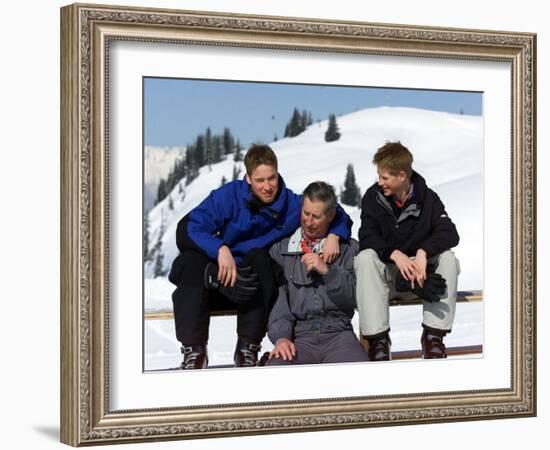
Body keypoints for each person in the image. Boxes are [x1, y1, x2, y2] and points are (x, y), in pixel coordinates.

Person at [168, 145, 352, 369]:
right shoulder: (228, 197)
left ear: (278, 173)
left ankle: (248, 347)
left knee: (260, 258)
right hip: (221, 278)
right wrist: (219, 249)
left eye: (271, 178)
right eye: (260, 180)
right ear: (248, 178)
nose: (267, 187)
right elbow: (187, 228)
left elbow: (336, 211)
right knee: (188, 263)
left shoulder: (292, 205)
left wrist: (335, 233)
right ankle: (194, 351)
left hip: (255, 287)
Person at [354, 141, 460, 361]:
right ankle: (378, 341)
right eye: (379, 176)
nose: (379, 182)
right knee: (365, 257)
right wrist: (394, 254)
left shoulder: (429, 199)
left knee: (448, 258)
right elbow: (366, 236)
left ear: (402, 176)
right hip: (386, 282)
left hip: (422, 279)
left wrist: (423, 252)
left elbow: (449, 232)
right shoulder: (372, 198)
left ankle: (433, 338)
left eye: (385, 177)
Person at [267, 181, 368, 366]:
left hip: (339, 335)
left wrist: (328, 272)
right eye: (306, 213)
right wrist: (281, 337)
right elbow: (278, 300)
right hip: (299, 339)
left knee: (360, 375)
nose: (309, 221)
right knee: (275, 373)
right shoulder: (282, 251)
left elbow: (354, 298)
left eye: (316, 217)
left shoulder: (349, 250)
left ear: (330, 216)